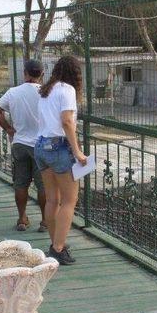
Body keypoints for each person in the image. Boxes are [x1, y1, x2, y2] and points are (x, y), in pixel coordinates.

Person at [35, 55, 87, 265]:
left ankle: (56, 243)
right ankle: (58, 248)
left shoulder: (47, 89)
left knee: (52, 199)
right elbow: (66, 122)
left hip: (41, 145)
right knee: (69, 200)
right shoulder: (67, 90)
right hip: (59, 147)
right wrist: (77, 152)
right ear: (75, 73)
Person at [0, 60, 48, 232]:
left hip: (20, 143)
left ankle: (22, 218)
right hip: (41, 144)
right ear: (42, 75)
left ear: (25, 73)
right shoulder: (46, 93)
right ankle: (45, 221)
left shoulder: (13, 92)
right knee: (43, 185)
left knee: (21, 183)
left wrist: (8, 128)